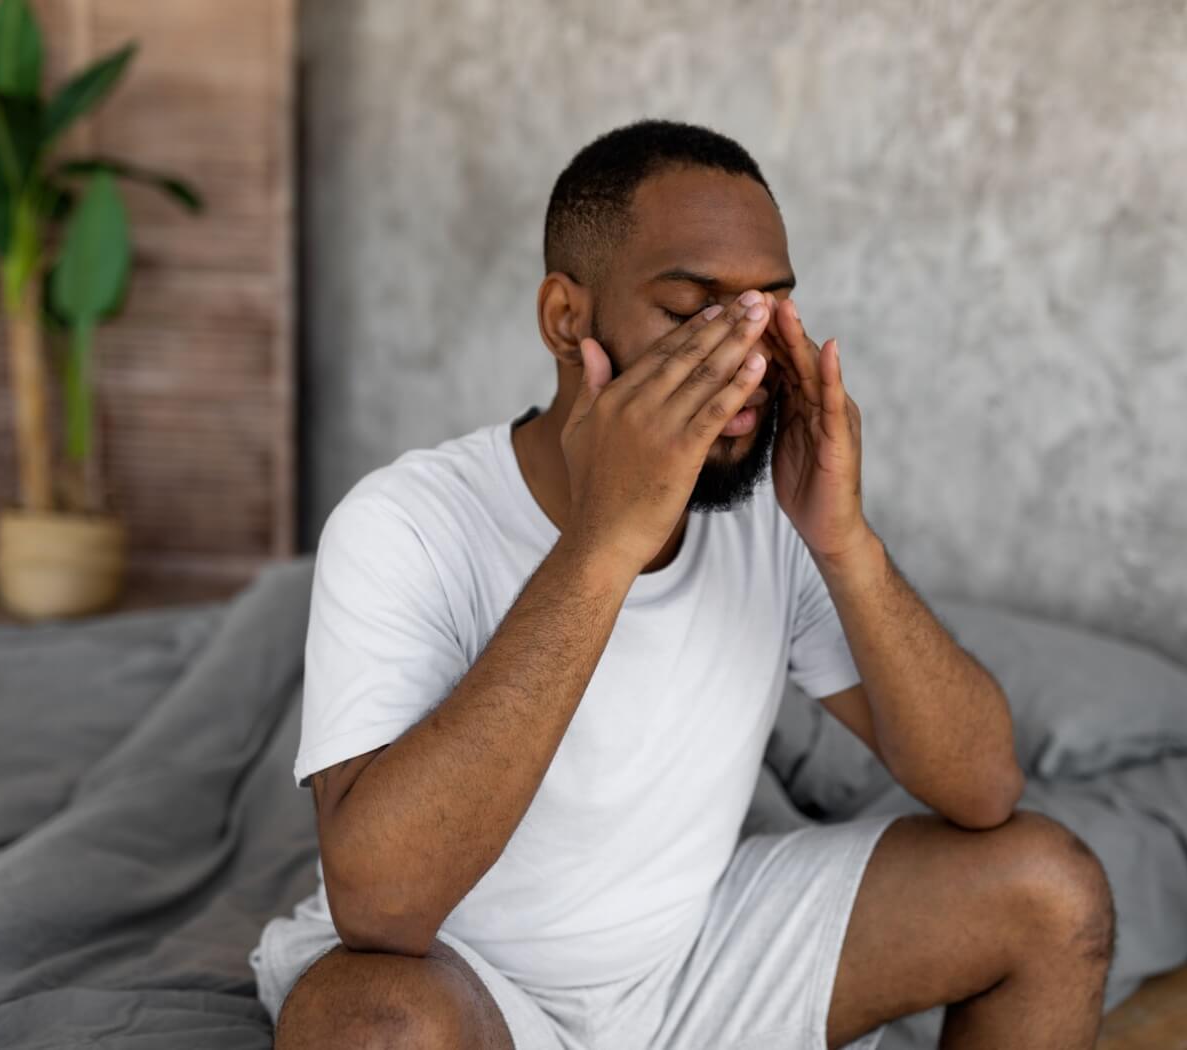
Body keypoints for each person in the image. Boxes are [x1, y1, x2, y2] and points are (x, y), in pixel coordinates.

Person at [251, 118, 1114, 1050]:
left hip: (696, 966)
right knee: (370, 1030)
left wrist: (844, 540)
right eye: (691, 310)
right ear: (565, 318)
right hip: (471, 988)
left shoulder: (769, 520)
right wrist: (602, 546)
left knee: (1049, 890)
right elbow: (382, 909)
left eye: (768, 309)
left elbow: (985, 788)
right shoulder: (405, 522)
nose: (746, 358)